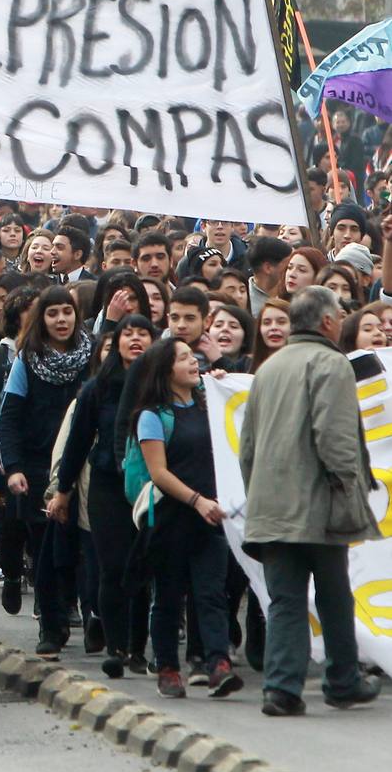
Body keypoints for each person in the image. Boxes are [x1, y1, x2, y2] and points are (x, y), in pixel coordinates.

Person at [239, 286, 382, 716]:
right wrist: (349, 485)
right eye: (339, 313)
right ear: (326, 321)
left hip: (272, 503)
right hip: (321, 500)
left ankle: (280, 688)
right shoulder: (331, 363)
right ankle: (341, 680)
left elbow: (246, 448)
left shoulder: (269, 367)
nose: (342, 318)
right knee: (335, 594)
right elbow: (335, 436)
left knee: (285, 599)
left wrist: (259, 491)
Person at [133, 337, 243, 700]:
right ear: (166, 370)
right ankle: (167, 666)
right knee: (167, 596)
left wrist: (226, 385)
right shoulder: (152, 416)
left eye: (194, 358)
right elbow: (158, 472)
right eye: (184, 359)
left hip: (209, 516)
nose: (194, 363)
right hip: (170, 519)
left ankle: (218, 663)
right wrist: (196, 500)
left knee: (211, 593)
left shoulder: (205, 404)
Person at [52, 315, 156, 678]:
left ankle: (138, 647)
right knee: (112, 567)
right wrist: (62, 491)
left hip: (150, 487)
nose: (135, 339)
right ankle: (116, 646)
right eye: (128, 333)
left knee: (141, 568)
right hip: (108, 485)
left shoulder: (160, 388)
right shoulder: (97, 389)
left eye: (143, 333)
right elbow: (78, 442)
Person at [0, 285, 91, 657]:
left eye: (66, 312)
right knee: (47, 549)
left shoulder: (90, 355)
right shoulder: (27, 360)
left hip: (84, 463)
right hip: (38, 466)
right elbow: (10, 417)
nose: (61, 320)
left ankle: (87, 612)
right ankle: (50, 627)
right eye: (52, 313)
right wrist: (14, 467)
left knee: (84, 548)